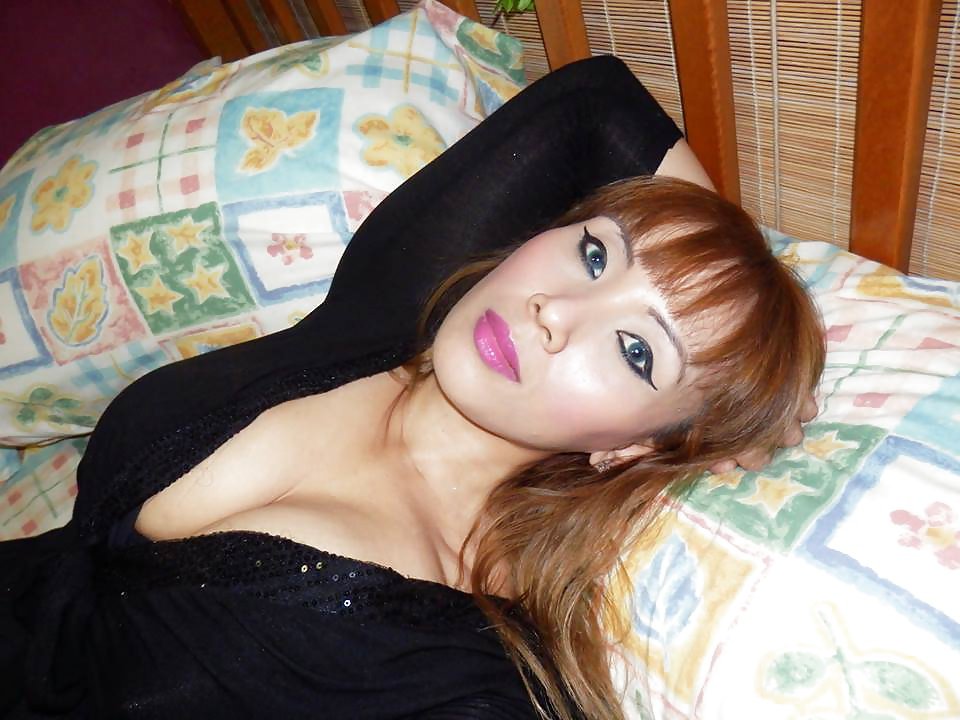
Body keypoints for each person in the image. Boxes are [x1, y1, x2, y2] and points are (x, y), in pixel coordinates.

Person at [0, 56, 823, 720]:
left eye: (637, 352)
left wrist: (727, 395)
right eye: (596, 254)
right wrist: (742, 337)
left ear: (634, 445)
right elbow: (595, 104)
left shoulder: (455, 660)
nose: (555, 311)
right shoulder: (388, 319)